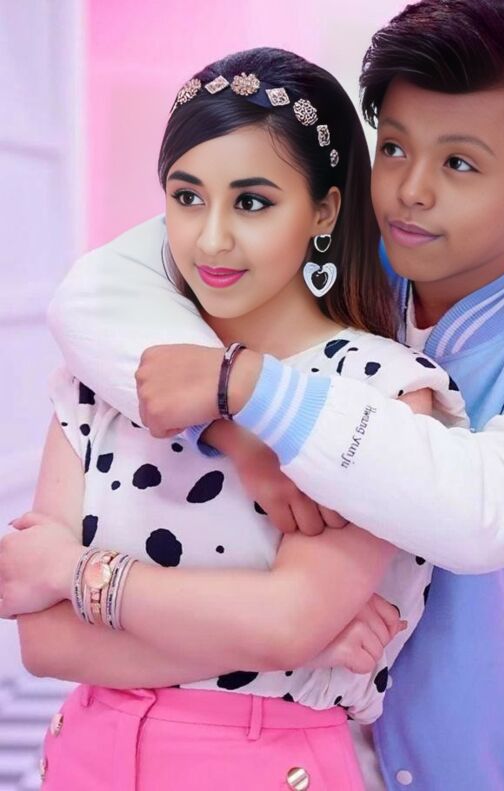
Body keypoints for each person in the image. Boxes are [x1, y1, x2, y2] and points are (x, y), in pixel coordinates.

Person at [15, 0, 504, 788]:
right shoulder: (317, 238)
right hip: (301, 738)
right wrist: (236, 428)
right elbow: (95, 291)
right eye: (395, 147)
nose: (410, 191)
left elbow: (482, 510)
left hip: (463, 757)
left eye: (459, 164)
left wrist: (250, 391)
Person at [0, 46, 468, 790]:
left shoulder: (376, 391)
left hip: (264, 766)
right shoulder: (109, 371)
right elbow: (45, 643)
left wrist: (71, 570)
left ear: (324, 210)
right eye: (187, 197)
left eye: (252, 202)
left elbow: (286, 621)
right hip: (85, 760)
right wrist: (290, 643)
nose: (211, 238)